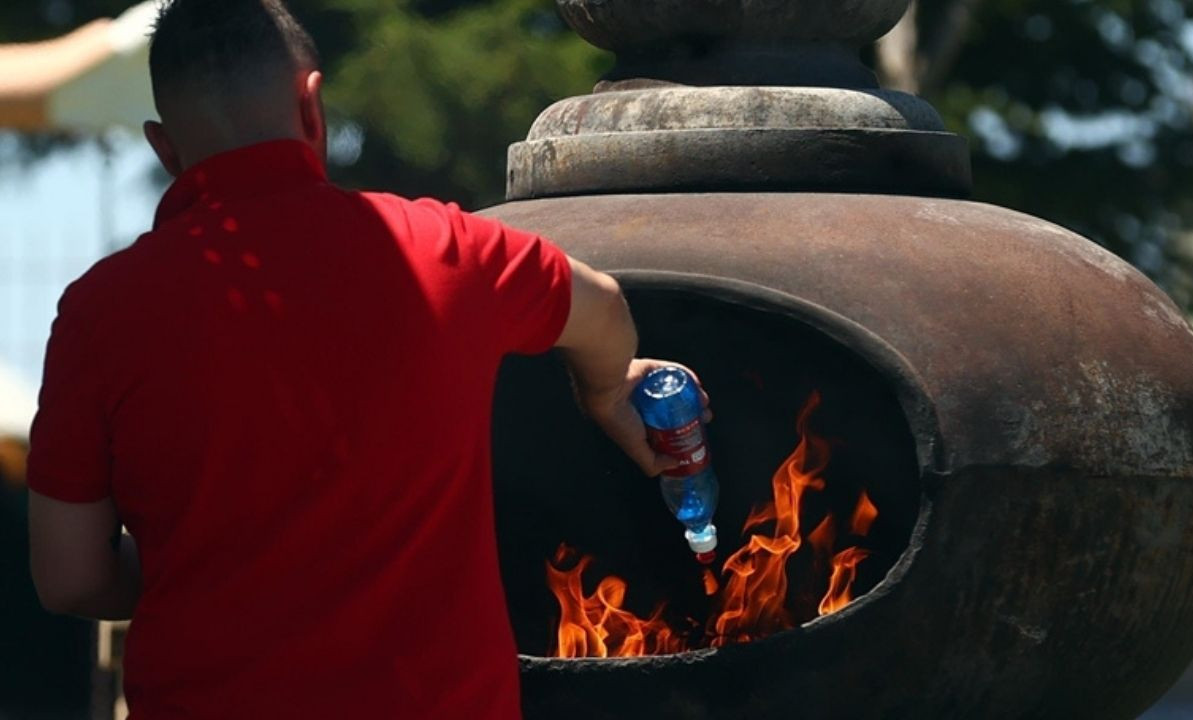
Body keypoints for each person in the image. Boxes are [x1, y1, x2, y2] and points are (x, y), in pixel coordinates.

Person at [25, 1, 705, 718]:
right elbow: (603, 308)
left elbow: (69, 578)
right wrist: (606, 391)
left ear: (165, 149)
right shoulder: (449, 251)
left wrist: (201, 568)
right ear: (312, 108)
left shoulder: (99, 312)